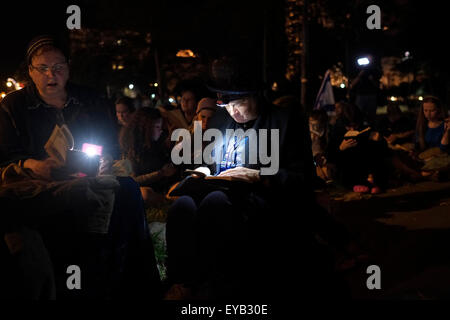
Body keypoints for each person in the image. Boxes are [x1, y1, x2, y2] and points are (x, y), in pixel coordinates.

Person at [165, 56, 354, 300]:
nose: (232, 111)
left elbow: (302, 178)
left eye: (238, 103)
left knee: (215, 204)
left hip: (264, 200)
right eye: (226, 105)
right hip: (221, 191)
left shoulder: (285, 121)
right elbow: (212, 161)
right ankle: (183, 282)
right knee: (182, 206)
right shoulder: (224, 121)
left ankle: (220, 284)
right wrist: (202, 172)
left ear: (255, 95)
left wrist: (261, 176)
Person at [0, 35, 161, 299]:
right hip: (42, 183)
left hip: (89, 175)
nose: (52, 74)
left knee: (129, 189)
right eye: (43, 68)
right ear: (31, 71)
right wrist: (33, 165)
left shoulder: (89, 100)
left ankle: (138, 284)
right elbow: (6, 158)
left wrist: (106, 159)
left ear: (68, 68)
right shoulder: (12, 107)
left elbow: (108, 143)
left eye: (59, 67)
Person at [119, 108, 178, 207]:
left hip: (163, 188)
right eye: (157, 127)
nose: (161, 131)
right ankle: (167, 201)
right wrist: (160, 174)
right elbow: (133, 180)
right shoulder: (131, 150)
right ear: (146, 128)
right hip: (145, 191)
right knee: (145, 194)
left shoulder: (157, 143)